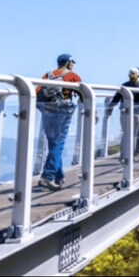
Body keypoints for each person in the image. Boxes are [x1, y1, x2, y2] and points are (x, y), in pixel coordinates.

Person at [36, 53, 81, 191]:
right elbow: (83, 94)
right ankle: (47, 177)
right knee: (59, 142)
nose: (73, 64)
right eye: (72, 62)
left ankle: (59, 177)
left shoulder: (47, 75)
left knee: (53, 143)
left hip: (47, 111)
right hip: (63, 112)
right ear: (68, 63)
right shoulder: (72, 76)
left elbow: (37, 92)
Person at [108, 67, 139, 157]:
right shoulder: (125, 86)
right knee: (129, 133)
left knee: (133, 133)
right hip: (126, 112)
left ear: (138, 75)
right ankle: (125, 154)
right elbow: (117, 98)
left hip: (137, 113)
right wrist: (110, 108)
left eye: (133, 73)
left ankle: (131, 153)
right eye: (130, 73)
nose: (131, 75)